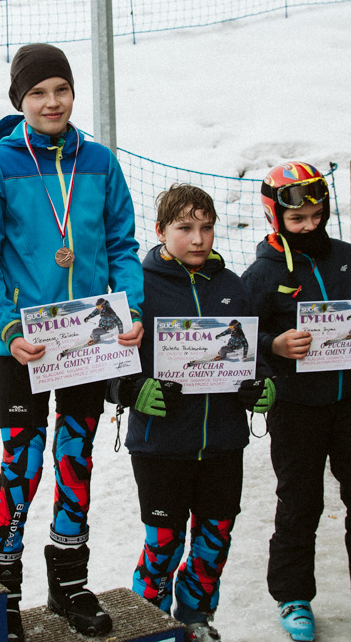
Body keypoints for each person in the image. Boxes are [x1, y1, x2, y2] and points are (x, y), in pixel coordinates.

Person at [0, 43, 144, 642]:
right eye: (38, 92)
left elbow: (122, 244)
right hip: (26, 348)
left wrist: (133, 308)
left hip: (89, 342)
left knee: (75, 458)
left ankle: (69, 582)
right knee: (23, 462)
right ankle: (3, 587)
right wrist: (8, 328)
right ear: (20, 100)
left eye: (60, 89)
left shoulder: (100, 162)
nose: (51, 102)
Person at [243, 162, 351, 642]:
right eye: (297, 219)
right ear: (274, 216)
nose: (309, 226)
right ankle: (293, 596)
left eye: (316, 216)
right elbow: (243, 341)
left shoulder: (344, 256)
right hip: (296, 408)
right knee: (300, 505)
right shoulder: (261, 273)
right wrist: (275, 346)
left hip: (348, 405)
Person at [111, 183, 274, 642]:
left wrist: (263, 385)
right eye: (185, 228)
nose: (198, 239)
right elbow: (106, 362)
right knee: (163, 542)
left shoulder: (232, 285)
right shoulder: (137, 286)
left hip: (223, 441)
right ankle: (150, 622)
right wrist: (130, 389)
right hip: (161, 443)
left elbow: (253, 355)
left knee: (215, 537)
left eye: (207, 227)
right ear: (160, 230)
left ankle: (196, 616)